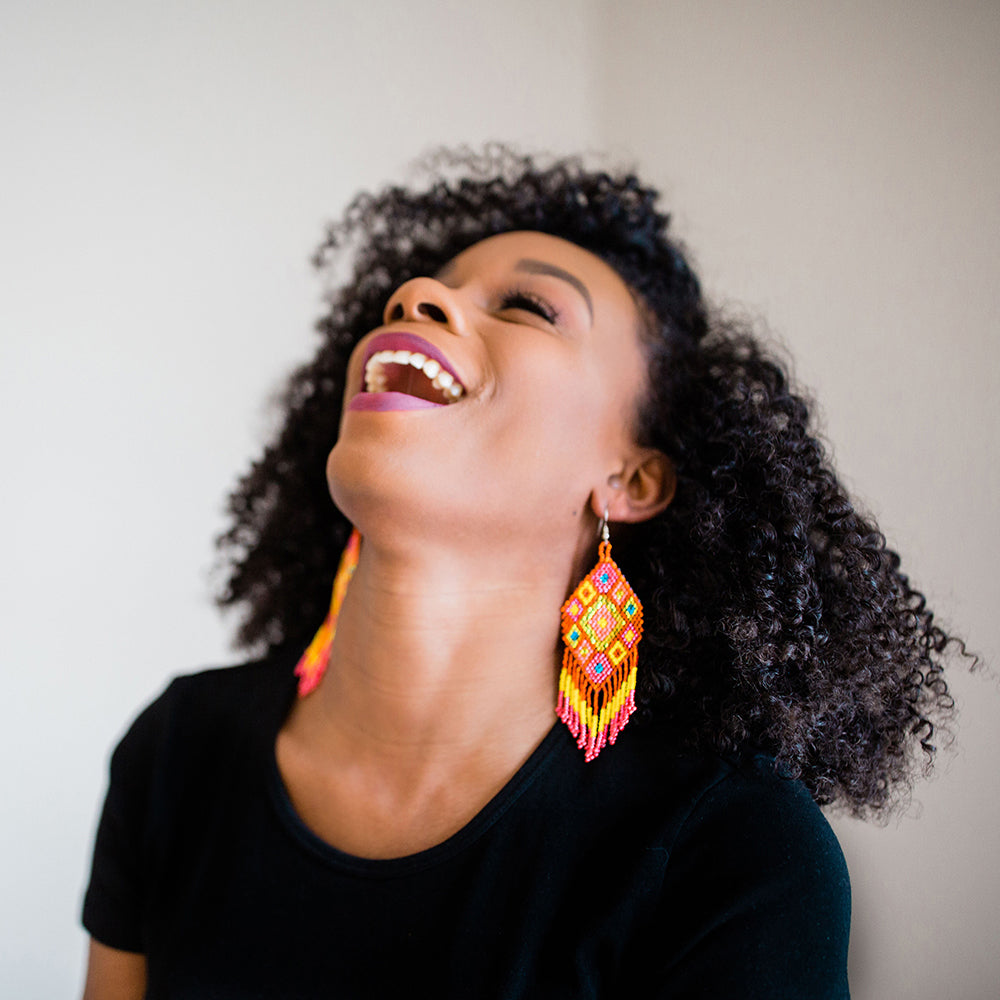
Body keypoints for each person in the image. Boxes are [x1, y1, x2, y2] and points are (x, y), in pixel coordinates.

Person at [80, 148, 961, 999]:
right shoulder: (177, 755)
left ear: (631, 478)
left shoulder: (731, 852)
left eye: (530, 307)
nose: (417, 296)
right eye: (427, 285)